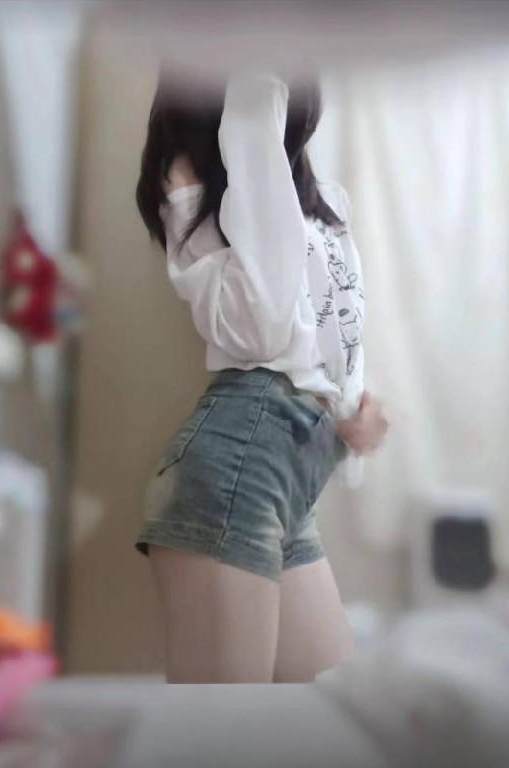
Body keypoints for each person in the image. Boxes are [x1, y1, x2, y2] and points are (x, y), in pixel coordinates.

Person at [135, 70, 388, 683]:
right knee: (226, 725)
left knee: (323, 715)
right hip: (239, 464)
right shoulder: (189, 178)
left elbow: (330, 329)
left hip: (289, 481)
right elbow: (267, 328)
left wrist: (353, 409)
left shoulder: (314, 201)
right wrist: (253, 97)